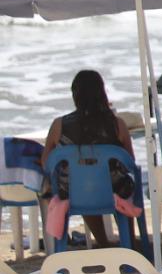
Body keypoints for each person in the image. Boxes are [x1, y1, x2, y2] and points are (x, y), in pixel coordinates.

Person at [41, 71, 136, 247]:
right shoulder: (117, 124)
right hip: (112, 190)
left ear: (75, 95)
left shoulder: (59, 125)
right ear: (102, 93)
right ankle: (129, 243)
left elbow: (46, 162)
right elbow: (129, 161)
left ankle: (103, 242)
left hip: (74, 192)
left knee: (82, 182)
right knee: (123, 183)